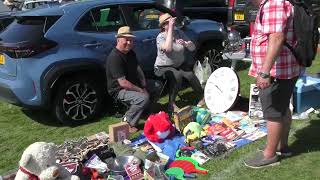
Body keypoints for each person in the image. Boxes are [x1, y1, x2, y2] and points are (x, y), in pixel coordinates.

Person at [244, 0, 304, 168]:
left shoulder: (274, 3)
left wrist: (264, 72)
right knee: (282, 107)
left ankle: (269, 155)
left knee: (273, 112)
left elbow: (277, 38)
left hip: (277, 71)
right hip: (284, 68)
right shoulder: (277, 2)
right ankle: (282, 147)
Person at [106, 26, 162, 133]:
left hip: (132, 84)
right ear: (118, 40)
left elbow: (138, 70)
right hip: (119, 90)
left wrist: (144, 85)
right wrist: (141, 90)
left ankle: (146, 112)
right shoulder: (115, 57)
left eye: (131, 40)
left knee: (157, 85)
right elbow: (123, 83)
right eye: (126, 39)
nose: (129, 42)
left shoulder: (131, 53)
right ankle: (127, 122)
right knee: (143, 98)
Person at [154, 13, 205, 114]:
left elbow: (192, 48)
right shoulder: (160, 37)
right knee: (176, 76)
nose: (173, 23)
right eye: (169, 22)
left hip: (179, 64)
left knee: (190, 75)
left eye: (173, 21)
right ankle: (171, 104)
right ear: (164, 26)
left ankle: (202, 97)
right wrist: (171, 32)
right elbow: (168, 49)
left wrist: (186, 44)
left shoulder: (178, 32)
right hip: (163, 67)